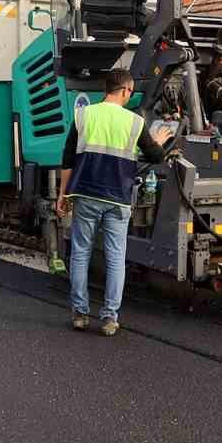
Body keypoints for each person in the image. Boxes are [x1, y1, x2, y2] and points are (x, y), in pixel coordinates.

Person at [57, 69, 173, 336]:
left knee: (80, 254)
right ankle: (109, 318)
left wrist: (63, 194)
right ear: (125, 91)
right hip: (118, 199)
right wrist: (158, 141)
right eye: (130, 92)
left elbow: (67, 159)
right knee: (115, 259)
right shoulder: (134, 122)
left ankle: (80, 314)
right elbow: (156, 156)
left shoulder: (84, 115)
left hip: (85, 195)